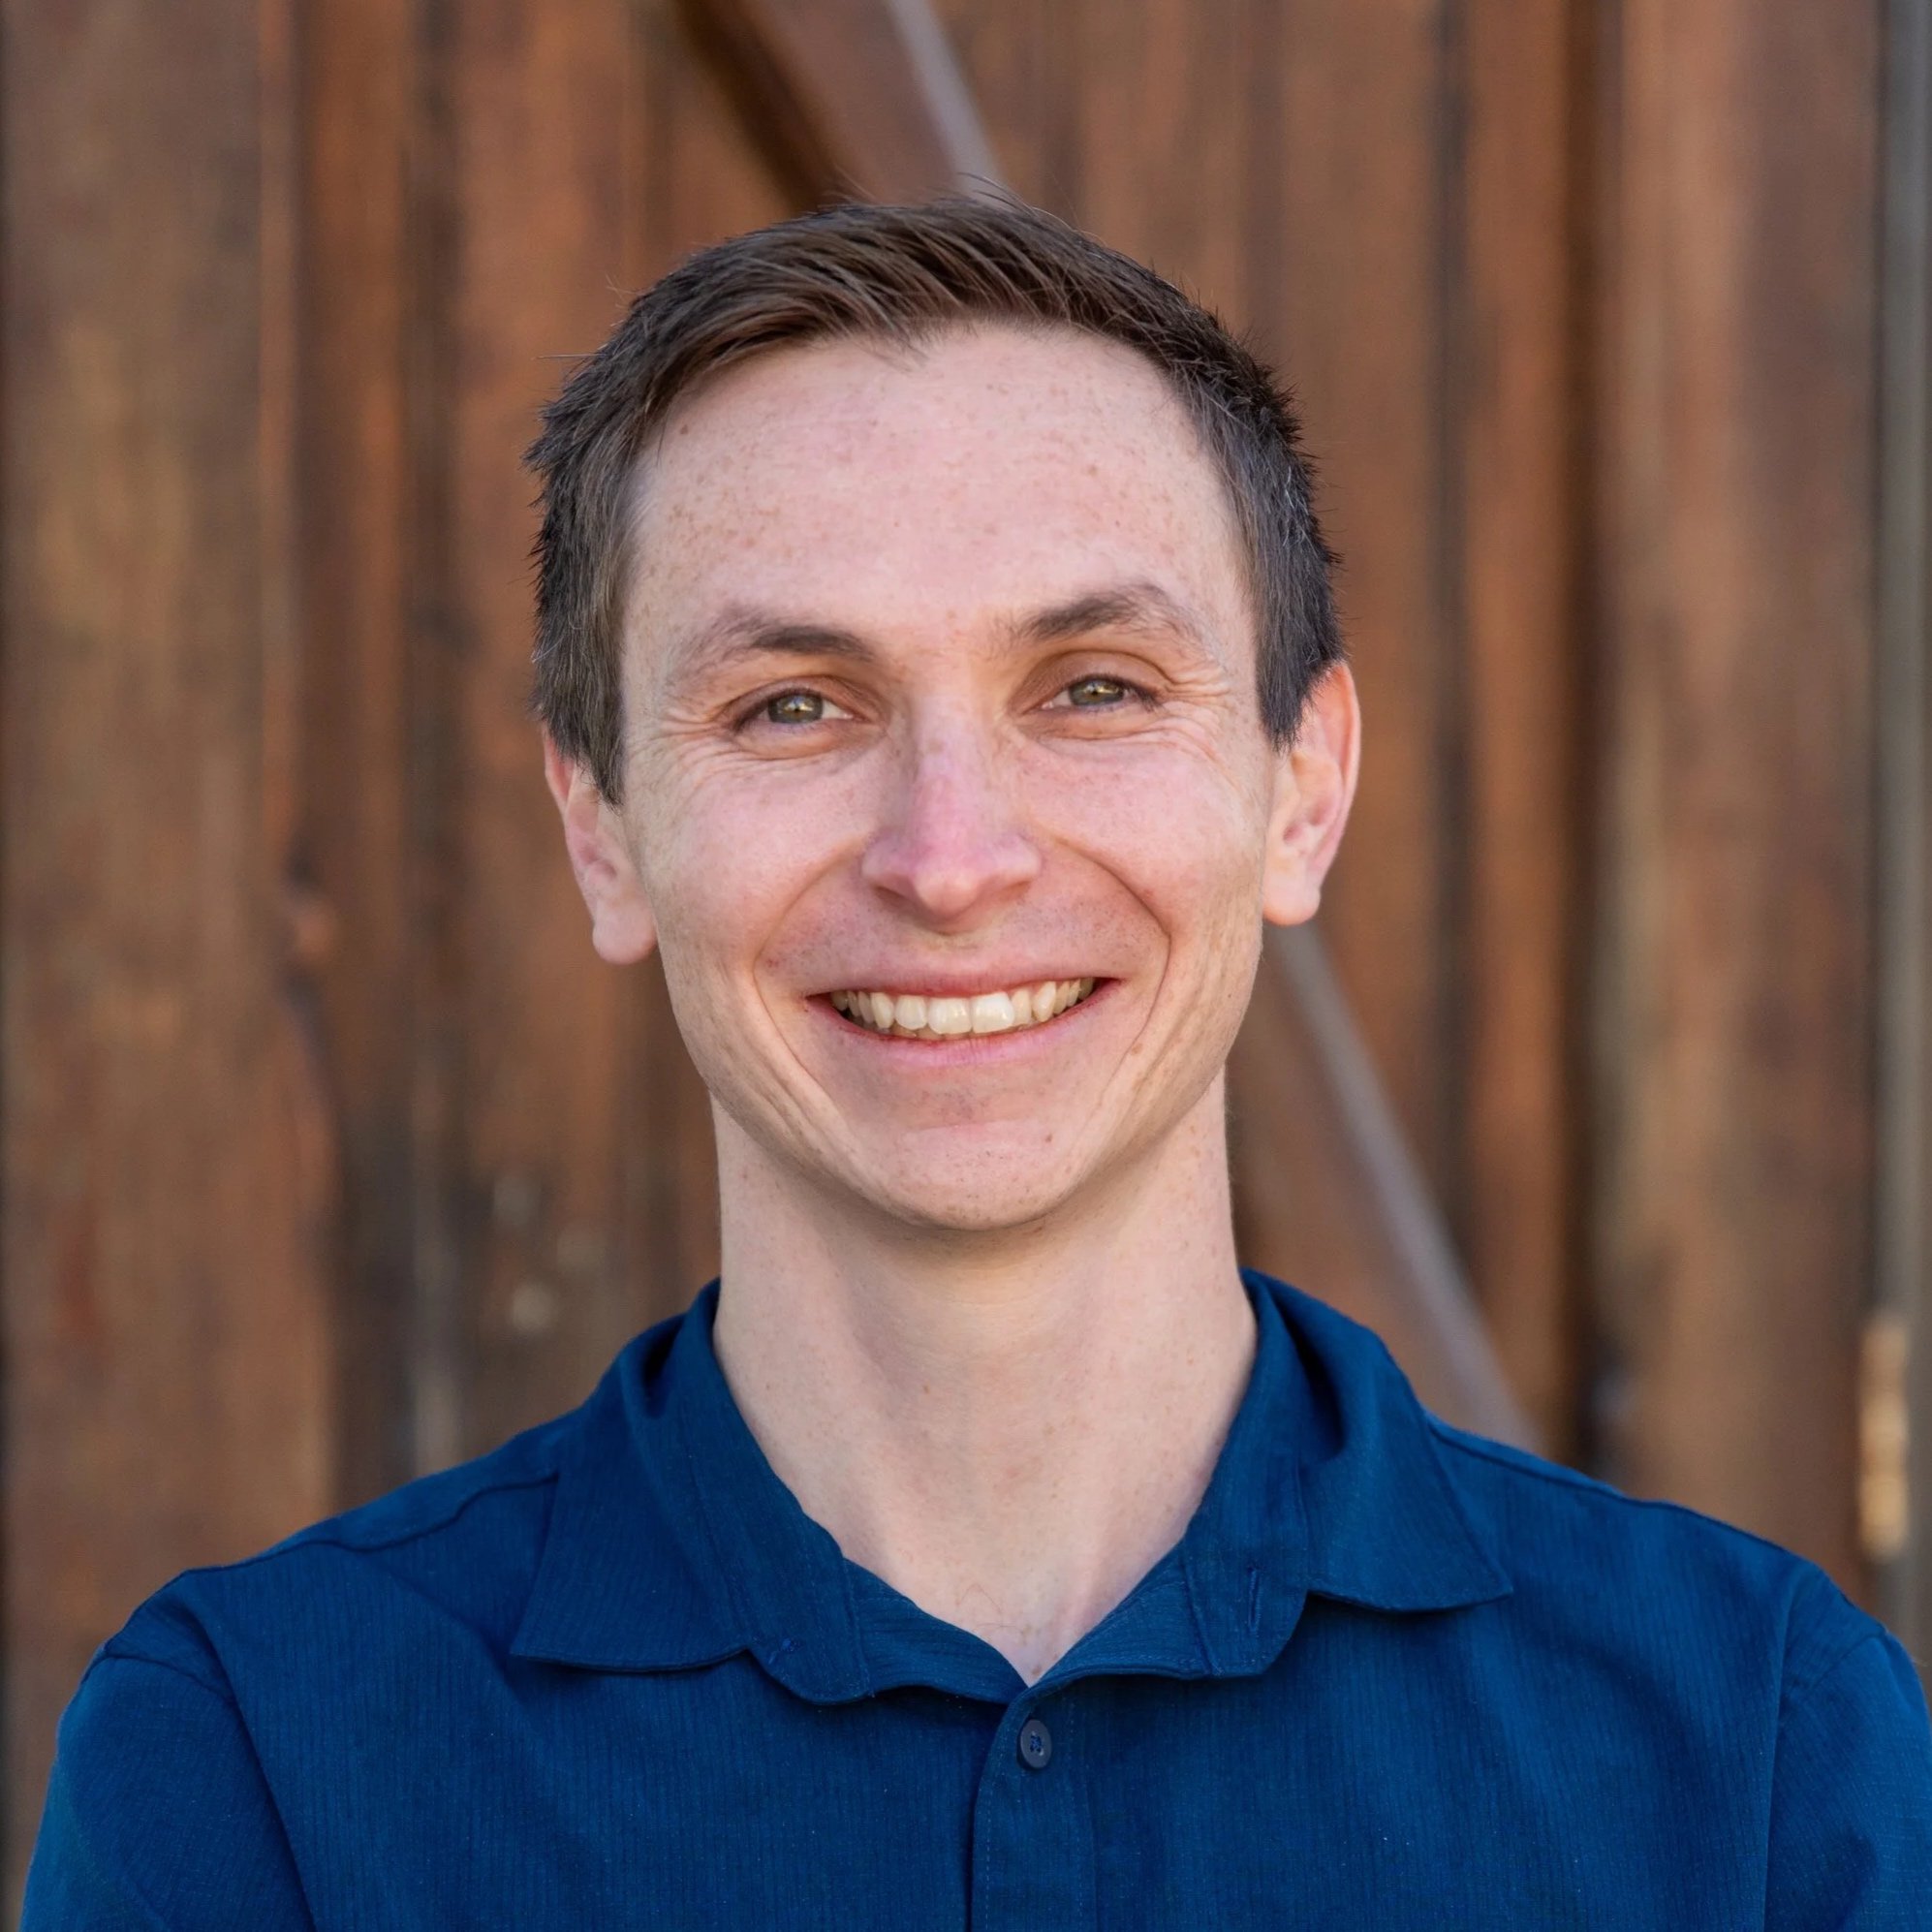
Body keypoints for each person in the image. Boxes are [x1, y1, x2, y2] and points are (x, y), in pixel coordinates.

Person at [24, 196, 1932, 1929]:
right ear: (602, 828)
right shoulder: (258, 1763)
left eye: (1090, 689)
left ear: (1304, 787)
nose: (949, 859)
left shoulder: (1756, 1752)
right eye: (793, 705)